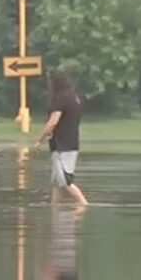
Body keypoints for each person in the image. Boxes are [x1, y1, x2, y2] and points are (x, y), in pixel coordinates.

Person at [34, 71, 89, 206]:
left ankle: (83, 204)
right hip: (72, 143)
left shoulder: (60, 99)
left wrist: (39, 140)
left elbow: (53, 122)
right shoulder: (74, 98)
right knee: (56, 182)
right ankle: (54, 208)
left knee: (65, 181)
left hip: (61, 146)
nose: (48, 84)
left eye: (49, 81)